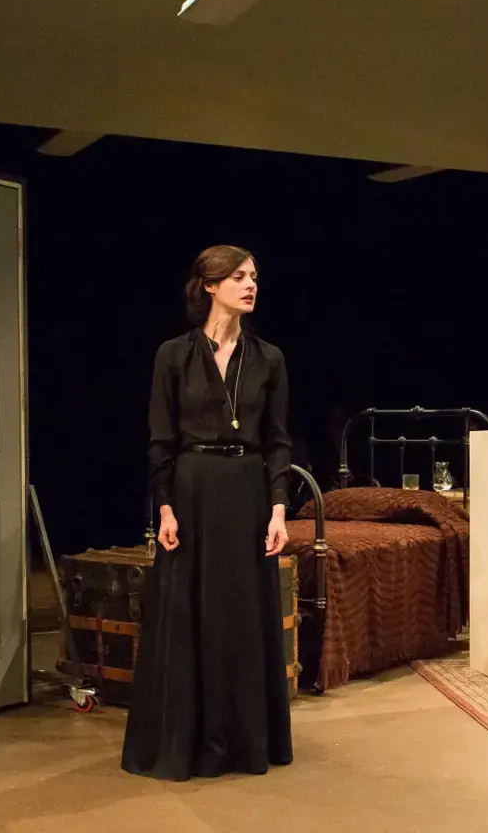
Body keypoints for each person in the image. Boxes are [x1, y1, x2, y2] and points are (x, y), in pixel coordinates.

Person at [121, 244, 294, 781]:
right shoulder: (172, 355)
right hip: (192, 494)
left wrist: (279, 510)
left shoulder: (269, 358)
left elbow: (279, 442)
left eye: (255, 277)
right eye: (238, 276)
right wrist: (165, 507)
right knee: (189, 615)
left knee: (241, 618)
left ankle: (243, 743)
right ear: (210, 285)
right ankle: (186, 742)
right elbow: (160, 439)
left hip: (246, 494)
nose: (251, 285)